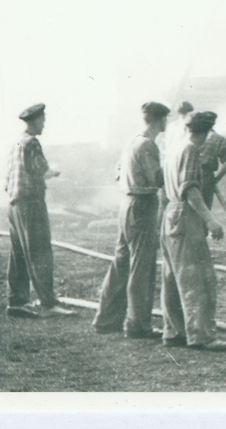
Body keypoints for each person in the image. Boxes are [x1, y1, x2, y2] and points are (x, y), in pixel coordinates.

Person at [93, 101, 170, 338]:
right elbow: (157, 179)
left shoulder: (133, 141)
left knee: (121, 264)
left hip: (127, 204)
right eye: (165, 119)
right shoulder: (148, 145)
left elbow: (117, 172)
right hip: (142, 205)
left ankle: (106, 319)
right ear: (160, 120)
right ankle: (138, 325)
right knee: (141, 267)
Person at [160, 110, 226, 351]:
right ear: (207, 132)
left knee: (173, 277)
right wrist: (210, 220)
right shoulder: (190, 149)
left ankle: (174, 331)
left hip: (171, 213)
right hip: (186, 215)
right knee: (197, 278)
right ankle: (201, 336)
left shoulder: (174, 148)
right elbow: (189, 189)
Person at [4, 103, 76, 318]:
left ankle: (16, 302)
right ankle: (49, 304)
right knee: (40, 252)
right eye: (43, 120)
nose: (44, 124)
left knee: (18, 254)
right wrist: (55, 170)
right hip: (31, 203)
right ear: (35, 121)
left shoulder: (15, 143)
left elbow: (8, 177)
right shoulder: (32, 142)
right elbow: (41, 171)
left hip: (14, 204)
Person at [198, 119, 226, 210]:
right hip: (207, 179)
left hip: (190, 176)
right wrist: (216, 179)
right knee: (205, 210)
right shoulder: (219, 139)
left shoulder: (194, 138)